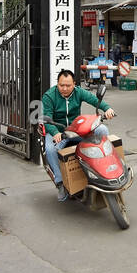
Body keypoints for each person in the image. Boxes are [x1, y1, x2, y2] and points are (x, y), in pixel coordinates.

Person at [41, 69, 115, 202]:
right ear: (57, 84)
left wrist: (107, 108)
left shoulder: (78, 92)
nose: (64, 88)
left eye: (68, 85)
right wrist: (55, 132)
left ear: (74, 84)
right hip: (58, 131)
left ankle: (106, 170)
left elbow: (93, 99)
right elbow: (47, 118)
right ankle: (61, 183)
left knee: (102, 130)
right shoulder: (49, 96)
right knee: (51, 149)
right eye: (61, 85)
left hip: (76, 129)